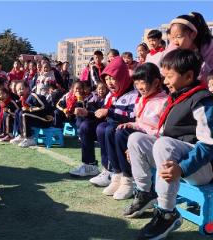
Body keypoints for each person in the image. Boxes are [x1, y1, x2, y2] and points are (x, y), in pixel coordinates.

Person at [124, 49, 213, 239]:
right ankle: (145, 192)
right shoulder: (175, 98)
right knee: (136, 139)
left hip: (204, 168)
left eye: (169, 77)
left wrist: (182, 168)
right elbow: (163, 135)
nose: (164, 82)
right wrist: (137, 151)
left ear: (188, 76)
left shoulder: (202, 101)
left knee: (164, 145)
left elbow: (209, 145)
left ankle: (167, 213)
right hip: (178, 161)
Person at [105, 63, 167, 200]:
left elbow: (161, 131)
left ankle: (129, 179)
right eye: (136, 82)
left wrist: (134, 141)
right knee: (115, 130)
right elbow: (140, 122)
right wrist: (132, 124)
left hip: (153, 141)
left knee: (122, 134)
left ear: (156, 82)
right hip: (140, 135)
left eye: (142, 82)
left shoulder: (163, 101)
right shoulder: (142, 99)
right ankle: (119, 175)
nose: (139, 86)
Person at [69, 57, 138, 180]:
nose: (109, 82)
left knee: (104, 128)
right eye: (106, 79)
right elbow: (101, 112)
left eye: (113, 78)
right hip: (110, 126)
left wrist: (109, 112)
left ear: (122, 77)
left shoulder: (133, 94)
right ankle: (90, 165)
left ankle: (111, 170)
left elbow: (133, 116)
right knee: (86, 126)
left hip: (124, 129)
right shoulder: (111, 95)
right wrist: (87, 113)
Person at [165, 12, 213, 82]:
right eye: (172, 37)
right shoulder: (173, 48)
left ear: (193, 34)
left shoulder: (208, 47)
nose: (175, 41)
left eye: (179, 37)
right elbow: (165, 69)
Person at [10, 81, 53, 148]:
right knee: (18, 111)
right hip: (37, 118)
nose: (20, 91)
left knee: (24, 114)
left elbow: (44, 107)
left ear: (28, 88)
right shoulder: (23, 99)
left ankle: (30, 138)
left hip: (46, 119)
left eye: (22, 89)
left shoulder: (33, 96)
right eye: (18, 90)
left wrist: (30, 109)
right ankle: (21, 135)